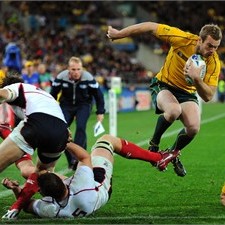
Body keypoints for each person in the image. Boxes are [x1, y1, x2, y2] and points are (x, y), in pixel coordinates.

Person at [107, 22, 222, 177]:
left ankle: (172, 154)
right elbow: (149, 26)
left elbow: (208, 96)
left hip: (186, 93)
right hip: (164, 85)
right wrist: (119, 34)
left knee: (194, 127)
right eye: (209, 46)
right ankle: (154, 143)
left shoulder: (213, 62)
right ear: (199, 40)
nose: (212, 51)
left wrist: (197, 79)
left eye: (216, 47)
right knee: (174, 110)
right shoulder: (182, 39)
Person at [2, 134, 179, 219]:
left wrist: (18, 190)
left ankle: (8, 134)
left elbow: (27, 206)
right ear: (64, 182)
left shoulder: (51, 210)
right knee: (107, 140)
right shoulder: (81, 185)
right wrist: (66, 142)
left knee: (29, 172)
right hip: (98, 185)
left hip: (77, 201)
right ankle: (158, 159)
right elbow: (84, 157)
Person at [0, 72, 69, 218]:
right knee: (42, 175)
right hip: (61, 132)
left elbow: (3, 94)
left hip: (38, 123)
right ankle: (17, 207)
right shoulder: (42, 93)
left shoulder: (16, 87)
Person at [50, 56, 105, 169]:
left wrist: (100, 112)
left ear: (82, 68)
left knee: (80, 127)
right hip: (66, 105)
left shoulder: (88, 78)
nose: (76, 72)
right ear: (68, 69)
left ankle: (78, 158)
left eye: (78, 69)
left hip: (84, 105)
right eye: (73, 69)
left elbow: (99, 96)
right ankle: (72, 161)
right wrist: (51, 110)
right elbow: (52, 95)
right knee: (62, 131)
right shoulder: (61, 77)